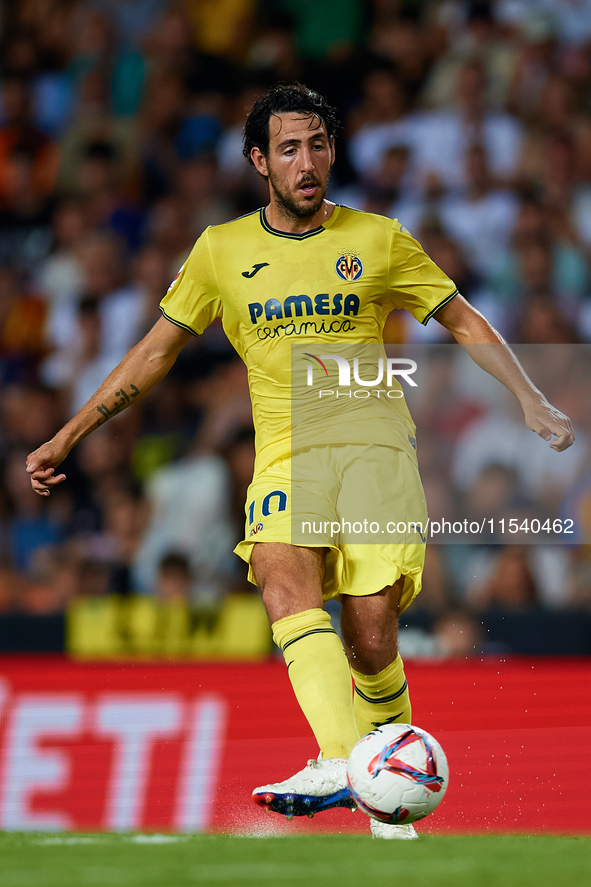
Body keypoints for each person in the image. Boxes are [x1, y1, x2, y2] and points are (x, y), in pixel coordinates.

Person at [26, 84, 574, 839]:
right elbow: (154, 352)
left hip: (376, 447)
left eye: (317, 144)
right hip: (286, 454)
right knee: (285, 579)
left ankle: (385, 805)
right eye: (288, 148)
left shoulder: (379, 238)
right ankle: (341, 760)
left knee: (372, 634)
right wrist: (70, 432)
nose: (307, 161)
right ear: (259, 160)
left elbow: (461, 318)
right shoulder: (221, 251)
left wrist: (529, 396)